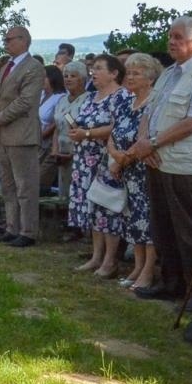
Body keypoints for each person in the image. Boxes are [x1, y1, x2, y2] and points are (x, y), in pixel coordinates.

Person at [125, 17, 192, 309]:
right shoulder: (169, 73)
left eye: (178, 37)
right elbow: (149, 111)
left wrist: (153, 143)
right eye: (170, 35)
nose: (171, 41)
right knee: (164, 228)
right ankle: (172, 283)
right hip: (158, 162)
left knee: (191, 232)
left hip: (188, 166)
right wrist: (144, 142)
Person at [97, 54, 161, 280]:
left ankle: (148, 270)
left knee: (147, 220)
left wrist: (123, 159)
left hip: (144, 170)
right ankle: (137, 266)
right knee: (133, 218)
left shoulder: (154, 104)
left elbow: (145, 139)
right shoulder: (126, 102)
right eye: (129, 72)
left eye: (136, 73)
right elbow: (113, 134)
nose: (130, 77)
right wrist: (115, 156)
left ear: (150, 78)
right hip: (126, 171)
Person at [0, 25, 45, 247]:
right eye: (5, 39)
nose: (6, 43)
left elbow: (26, 101)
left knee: (25, 186)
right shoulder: (6, 67)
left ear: (24, 40)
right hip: (1, 134)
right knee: (7, 185)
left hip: (21, 134)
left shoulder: (34, 67)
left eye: (9, 39)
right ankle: (11, 227)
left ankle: (28, 230)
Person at [68, 56, 125, 274]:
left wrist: (87, 134)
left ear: (114, 73)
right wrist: (77, 130)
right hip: (84, 160)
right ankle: (96, 256)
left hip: (105, 159)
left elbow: (118, 127)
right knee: (92, 208)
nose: (93, 72)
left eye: (99, 68)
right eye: (92, 68)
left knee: (106, 208)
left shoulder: (121, 96)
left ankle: (110, 260)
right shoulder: (91, 96)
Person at [52, 61, 91, 240]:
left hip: (79, 150)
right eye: (66, 76)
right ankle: (68, 224)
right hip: (61, 148)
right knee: (64, 189)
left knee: (79, 189)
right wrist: (55, 149)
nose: (68, 79)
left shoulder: (89, 99)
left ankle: (82, 228)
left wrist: (73, 152)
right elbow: (57, 126)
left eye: (73, 76)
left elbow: (82, 127)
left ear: (82, 79)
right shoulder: (62, 100)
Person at [38, 65, 66, 194]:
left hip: (49, 142)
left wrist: (44, 134)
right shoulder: (41, 94)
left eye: (44, 77)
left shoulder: (60, 97)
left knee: (41, 178)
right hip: (37, 142)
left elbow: (57, 121)